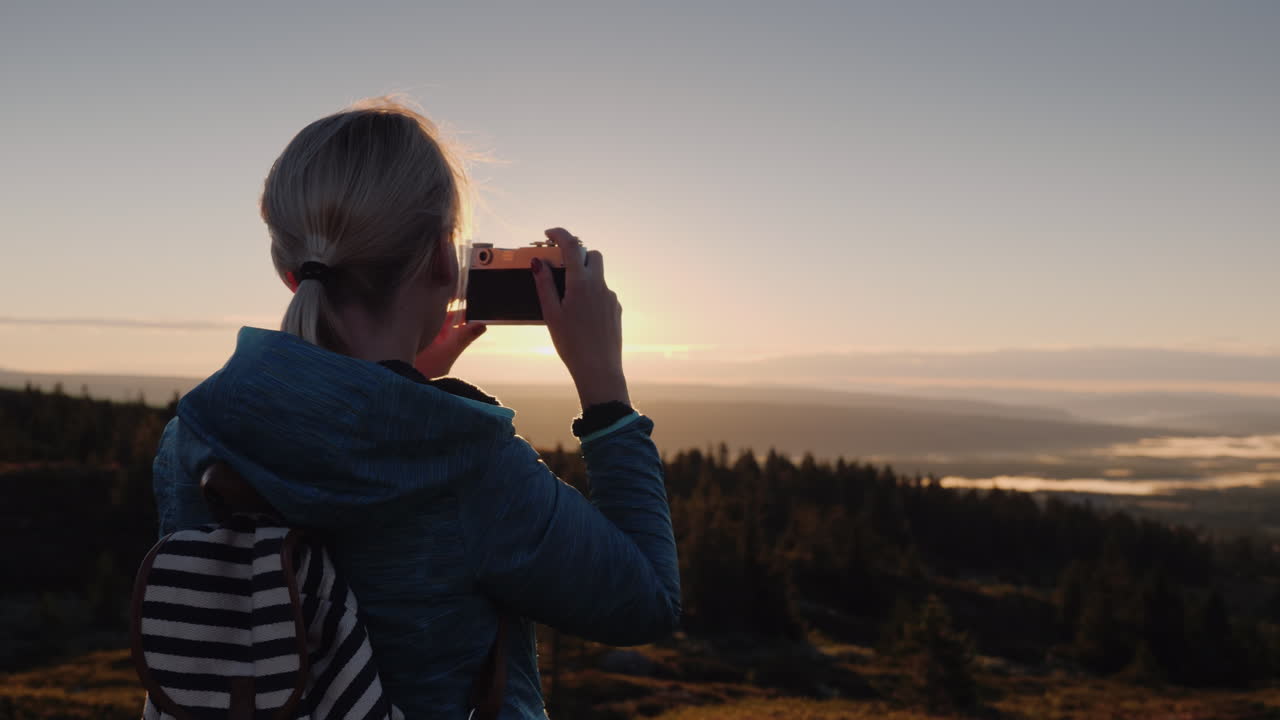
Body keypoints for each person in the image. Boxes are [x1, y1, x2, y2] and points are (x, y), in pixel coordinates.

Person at [150, 96, 681, 719]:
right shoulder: (466, 466)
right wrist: (605, 394)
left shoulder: (193, 435)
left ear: (287, 268)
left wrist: (405, 384)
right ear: (440, 256)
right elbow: (645, 600)